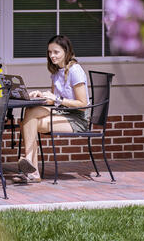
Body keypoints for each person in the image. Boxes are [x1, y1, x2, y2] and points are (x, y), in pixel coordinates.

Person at [15, 34, 90, 183]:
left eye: (56, 52)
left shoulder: (75, 70)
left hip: (77, 119)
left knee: (28, 123)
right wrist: (39, 96)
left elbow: (83, 104)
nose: (52, 56)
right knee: (30, 112)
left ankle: (32, 168)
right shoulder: (56, 72)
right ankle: (31, 168)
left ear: (66, 51)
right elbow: (52, 100)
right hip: (61, 112)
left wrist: (57, 99)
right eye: (49, 52)